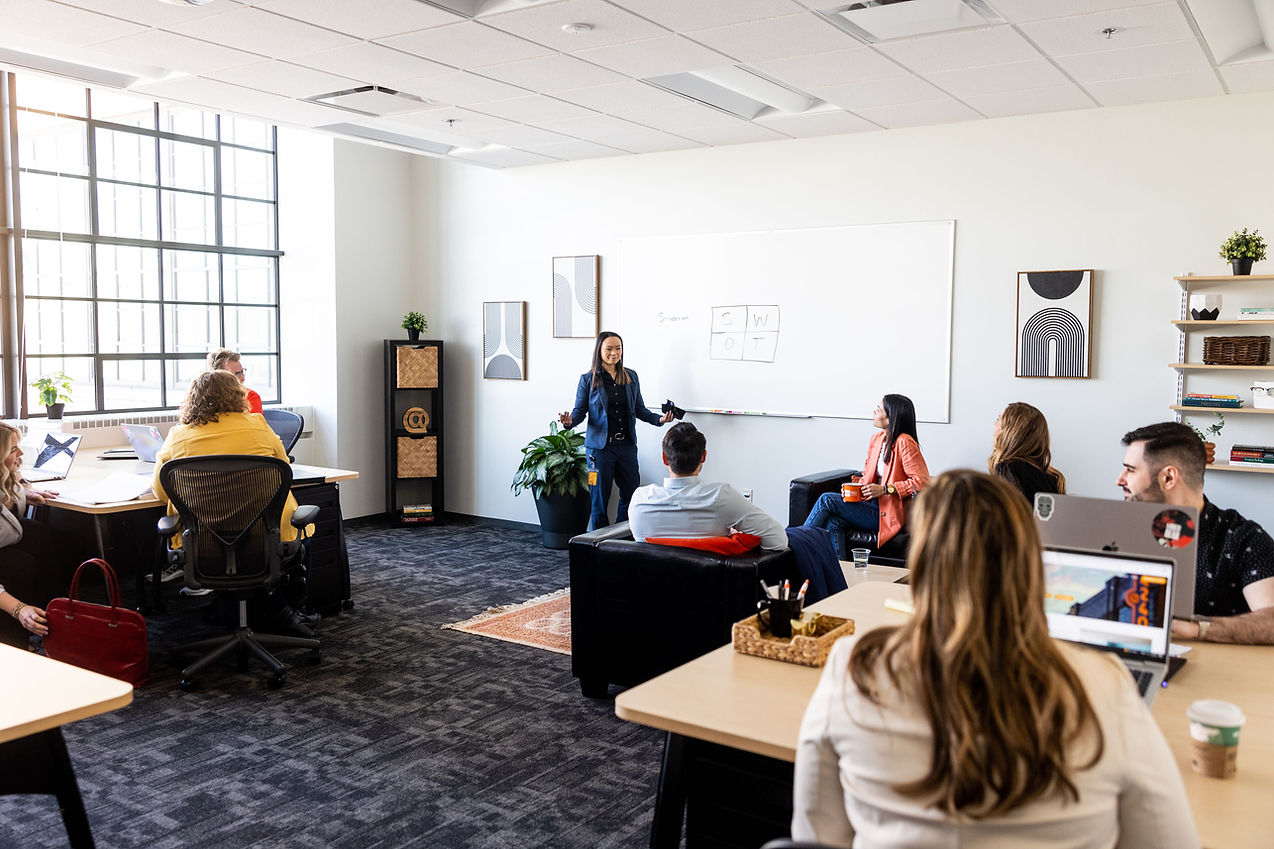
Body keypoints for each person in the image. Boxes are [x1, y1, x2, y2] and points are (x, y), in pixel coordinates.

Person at [792, 470, 1198, 849]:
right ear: (1031, 562)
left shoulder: (853, 668)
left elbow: (816, 834)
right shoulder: (1104, 683)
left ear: (921, 563)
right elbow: (1168, 840)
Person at [153, 370, 316, 633]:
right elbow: (283, 470)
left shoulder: (178, 436)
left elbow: (162, 492)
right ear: (238, 396)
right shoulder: (259, 426)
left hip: (203, 546)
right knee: (302, 529)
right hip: (266, 539)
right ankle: (288, 609)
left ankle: (243, 611)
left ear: (192, 400)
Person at [1118, 421, 1274, 644]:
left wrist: (1195, 628)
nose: (1119, 479)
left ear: (1168, 478)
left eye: (1130, 470)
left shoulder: (1244, 539)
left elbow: (1271, 621)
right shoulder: (1118, 529)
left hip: (1214, 674)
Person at [558, 331, 673, 529]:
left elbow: (639, 409)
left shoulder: (631, 376)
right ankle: (599, 545)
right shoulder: (588, 379)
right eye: (609, 348)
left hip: (626, 446)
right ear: (599, 351)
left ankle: (618, 539)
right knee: (599, 500)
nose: (614, 353)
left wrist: (660, 419)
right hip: (599, 451)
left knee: (631, 495)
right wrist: (569, 423)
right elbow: (579, 412)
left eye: (618, 348)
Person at [802, 394, 929, 559]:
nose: (874, 411)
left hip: (888, 512)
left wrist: (885, 489)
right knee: (833, 523)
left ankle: (797, 543)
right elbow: (866, 474)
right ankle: (841, 575)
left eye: (879, 409)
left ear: (891, 418)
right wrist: (855, 488)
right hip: (871, 505)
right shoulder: (877, 439)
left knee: (827, 500)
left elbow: (922, 482)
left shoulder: (904, 442)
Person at [628, 422, 788, 550]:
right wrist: (734, 537)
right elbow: (778, 541)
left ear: (664, 458)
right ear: (703, 456)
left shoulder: (639, 500)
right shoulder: (720, 497)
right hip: (711, 589)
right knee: (804, 532)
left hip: (653, 588)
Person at [0, 421, 68, 646]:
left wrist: (24, 491)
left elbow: (16, 482)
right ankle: (15, 641)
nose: (20, 453)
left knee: (42, 537)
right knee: (19, 565)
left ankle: (60, 617)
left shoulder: (6, 480)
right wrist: (19, 610)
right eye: (12, 450)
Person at [987, 401, 1065, 503]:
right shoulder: (1052, 477)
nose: (994, 423)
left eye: (998, 419)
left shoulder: (1007, 468)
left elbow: (1009, 515)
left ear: (1009, 432)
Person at [207, 347, 263, 414]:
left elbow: (254, 424)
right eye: (236, 374)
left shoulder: (250, 397)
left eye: (242, 372)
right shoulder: (204, 398)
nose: (242, 378)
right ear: (218, 376)